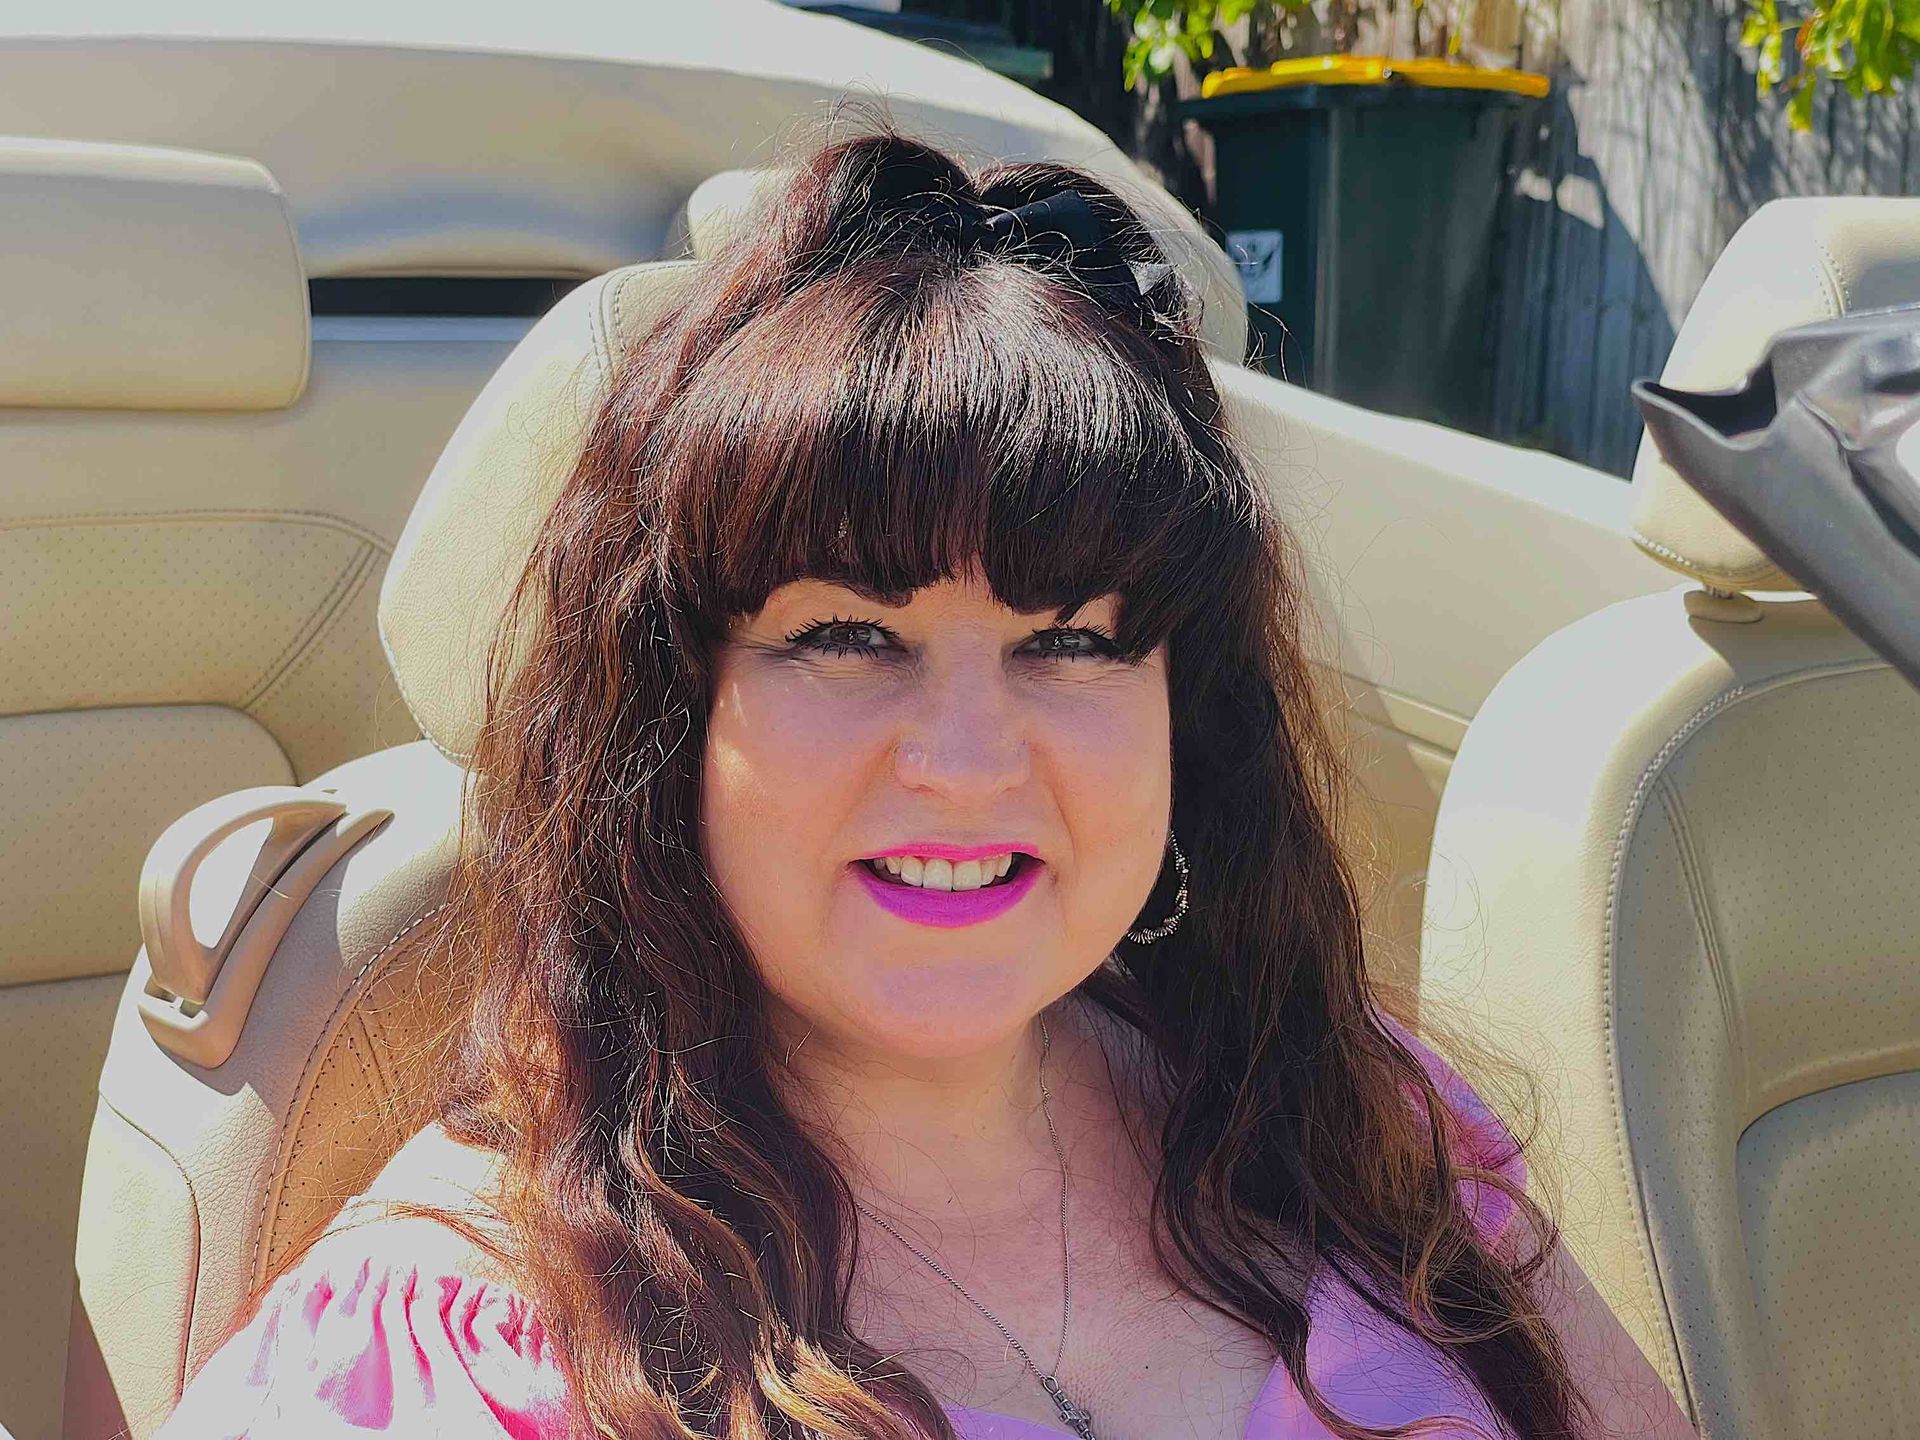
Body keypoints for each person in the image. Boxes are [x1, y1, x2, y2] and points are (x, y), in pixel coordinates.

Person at [155, 128, 1699, 1440]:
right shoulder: (464, 1350)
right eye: (847, 637)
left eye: (1072, 642)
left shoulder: (1350, 1115)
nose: (968, 762)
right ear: (673, 722)